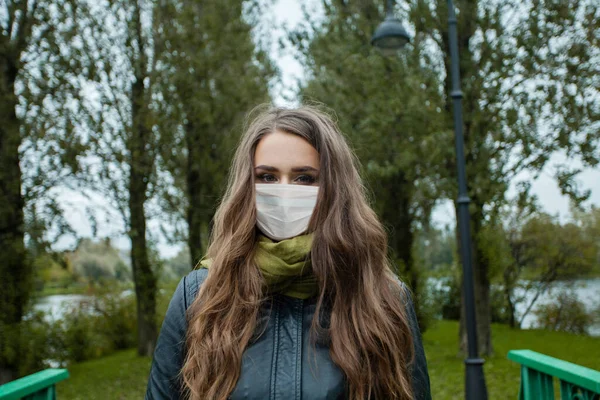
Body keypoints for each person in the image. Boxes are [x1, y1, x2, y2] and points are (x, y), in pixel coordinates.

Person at [145, 106, 431, 400]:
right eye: (267, 177)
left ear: (334, 190)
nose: (283, 192)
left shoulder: (382, 298)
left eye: (304, 178)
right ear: (247, 187)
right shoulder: (199, 296)